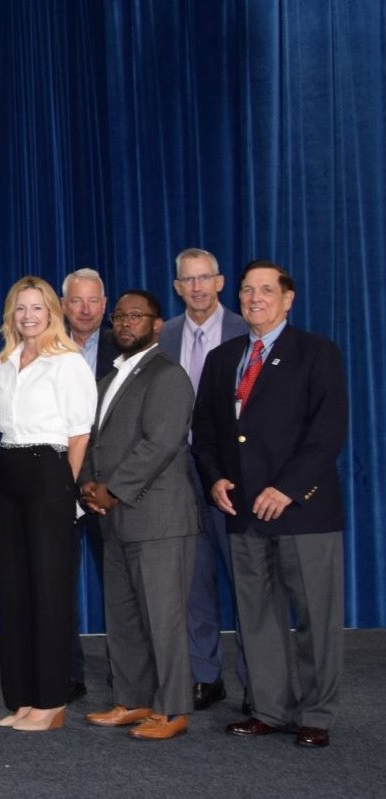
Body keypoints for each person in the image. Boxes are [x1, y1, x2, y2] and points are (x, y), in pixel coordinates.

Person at [194, 261, 347, 749]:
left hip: (302, 510)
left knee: (314, 619)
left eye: (265, 290)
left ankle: (316, 713)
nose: (254, 298)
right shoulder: (224, 359)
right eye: (246, 290)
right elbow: (208, 433)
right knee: (257, 616)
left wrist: (287, 489)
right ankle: (269, 708)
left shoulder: (316, 353)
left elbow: (327, 434)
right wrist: (216, 477)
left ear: (288, 298)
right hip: (241, 512)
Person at [78, 290, 198, 741]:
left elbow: (161, 442)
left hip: (160, 520)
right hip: (115, 517)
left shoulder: (167, 376)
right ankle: (133, 700)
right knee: (124, 616)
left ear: (157, 323)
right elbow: (94, 441)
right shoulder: (110, 378)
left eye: (136, 316)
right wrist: (88, 484)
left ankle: (172, 710)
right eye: (120, 317)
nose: (126, 323)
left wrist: (113, 489)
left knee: (163, 618)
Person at [0, 277, 96, 733]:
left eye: (37, 308)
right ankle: (23, 699)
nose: (28, 316)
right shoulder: (4, 362)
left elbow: (79, 435)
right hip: (8, 469)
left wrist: (65, 493)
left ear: (52, 311)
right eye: (20, 308)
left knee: (49, 591)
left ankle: (52, 702)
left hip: (50, 472)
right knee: (15, 591)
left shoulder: (68, 362)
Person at [157, 247, 249, 711]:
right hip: (177, 473)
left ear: (220, 282)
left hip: (233, 475)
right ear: (177, 288)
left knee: (247, 582)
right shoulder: (165, 335)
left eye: (204, 278)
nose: (196, 287)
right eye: (187, 280)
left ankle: (258, 682)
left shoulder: (245, 330)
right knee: (192, 581)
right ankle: (205, 675)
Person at [61, 266, 113, 696]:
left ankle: (128, 671)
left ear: (105, 305)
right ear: (63, 306)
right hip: (57, 483)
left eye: (93, 300)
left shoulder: (127, 345)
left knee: (120, 583)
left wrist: (101, 483)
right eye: (76, 300)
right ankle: (68, 672)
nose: (84, 309)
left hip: (110, 489)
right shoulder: (45, 347)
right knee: (59, 582)